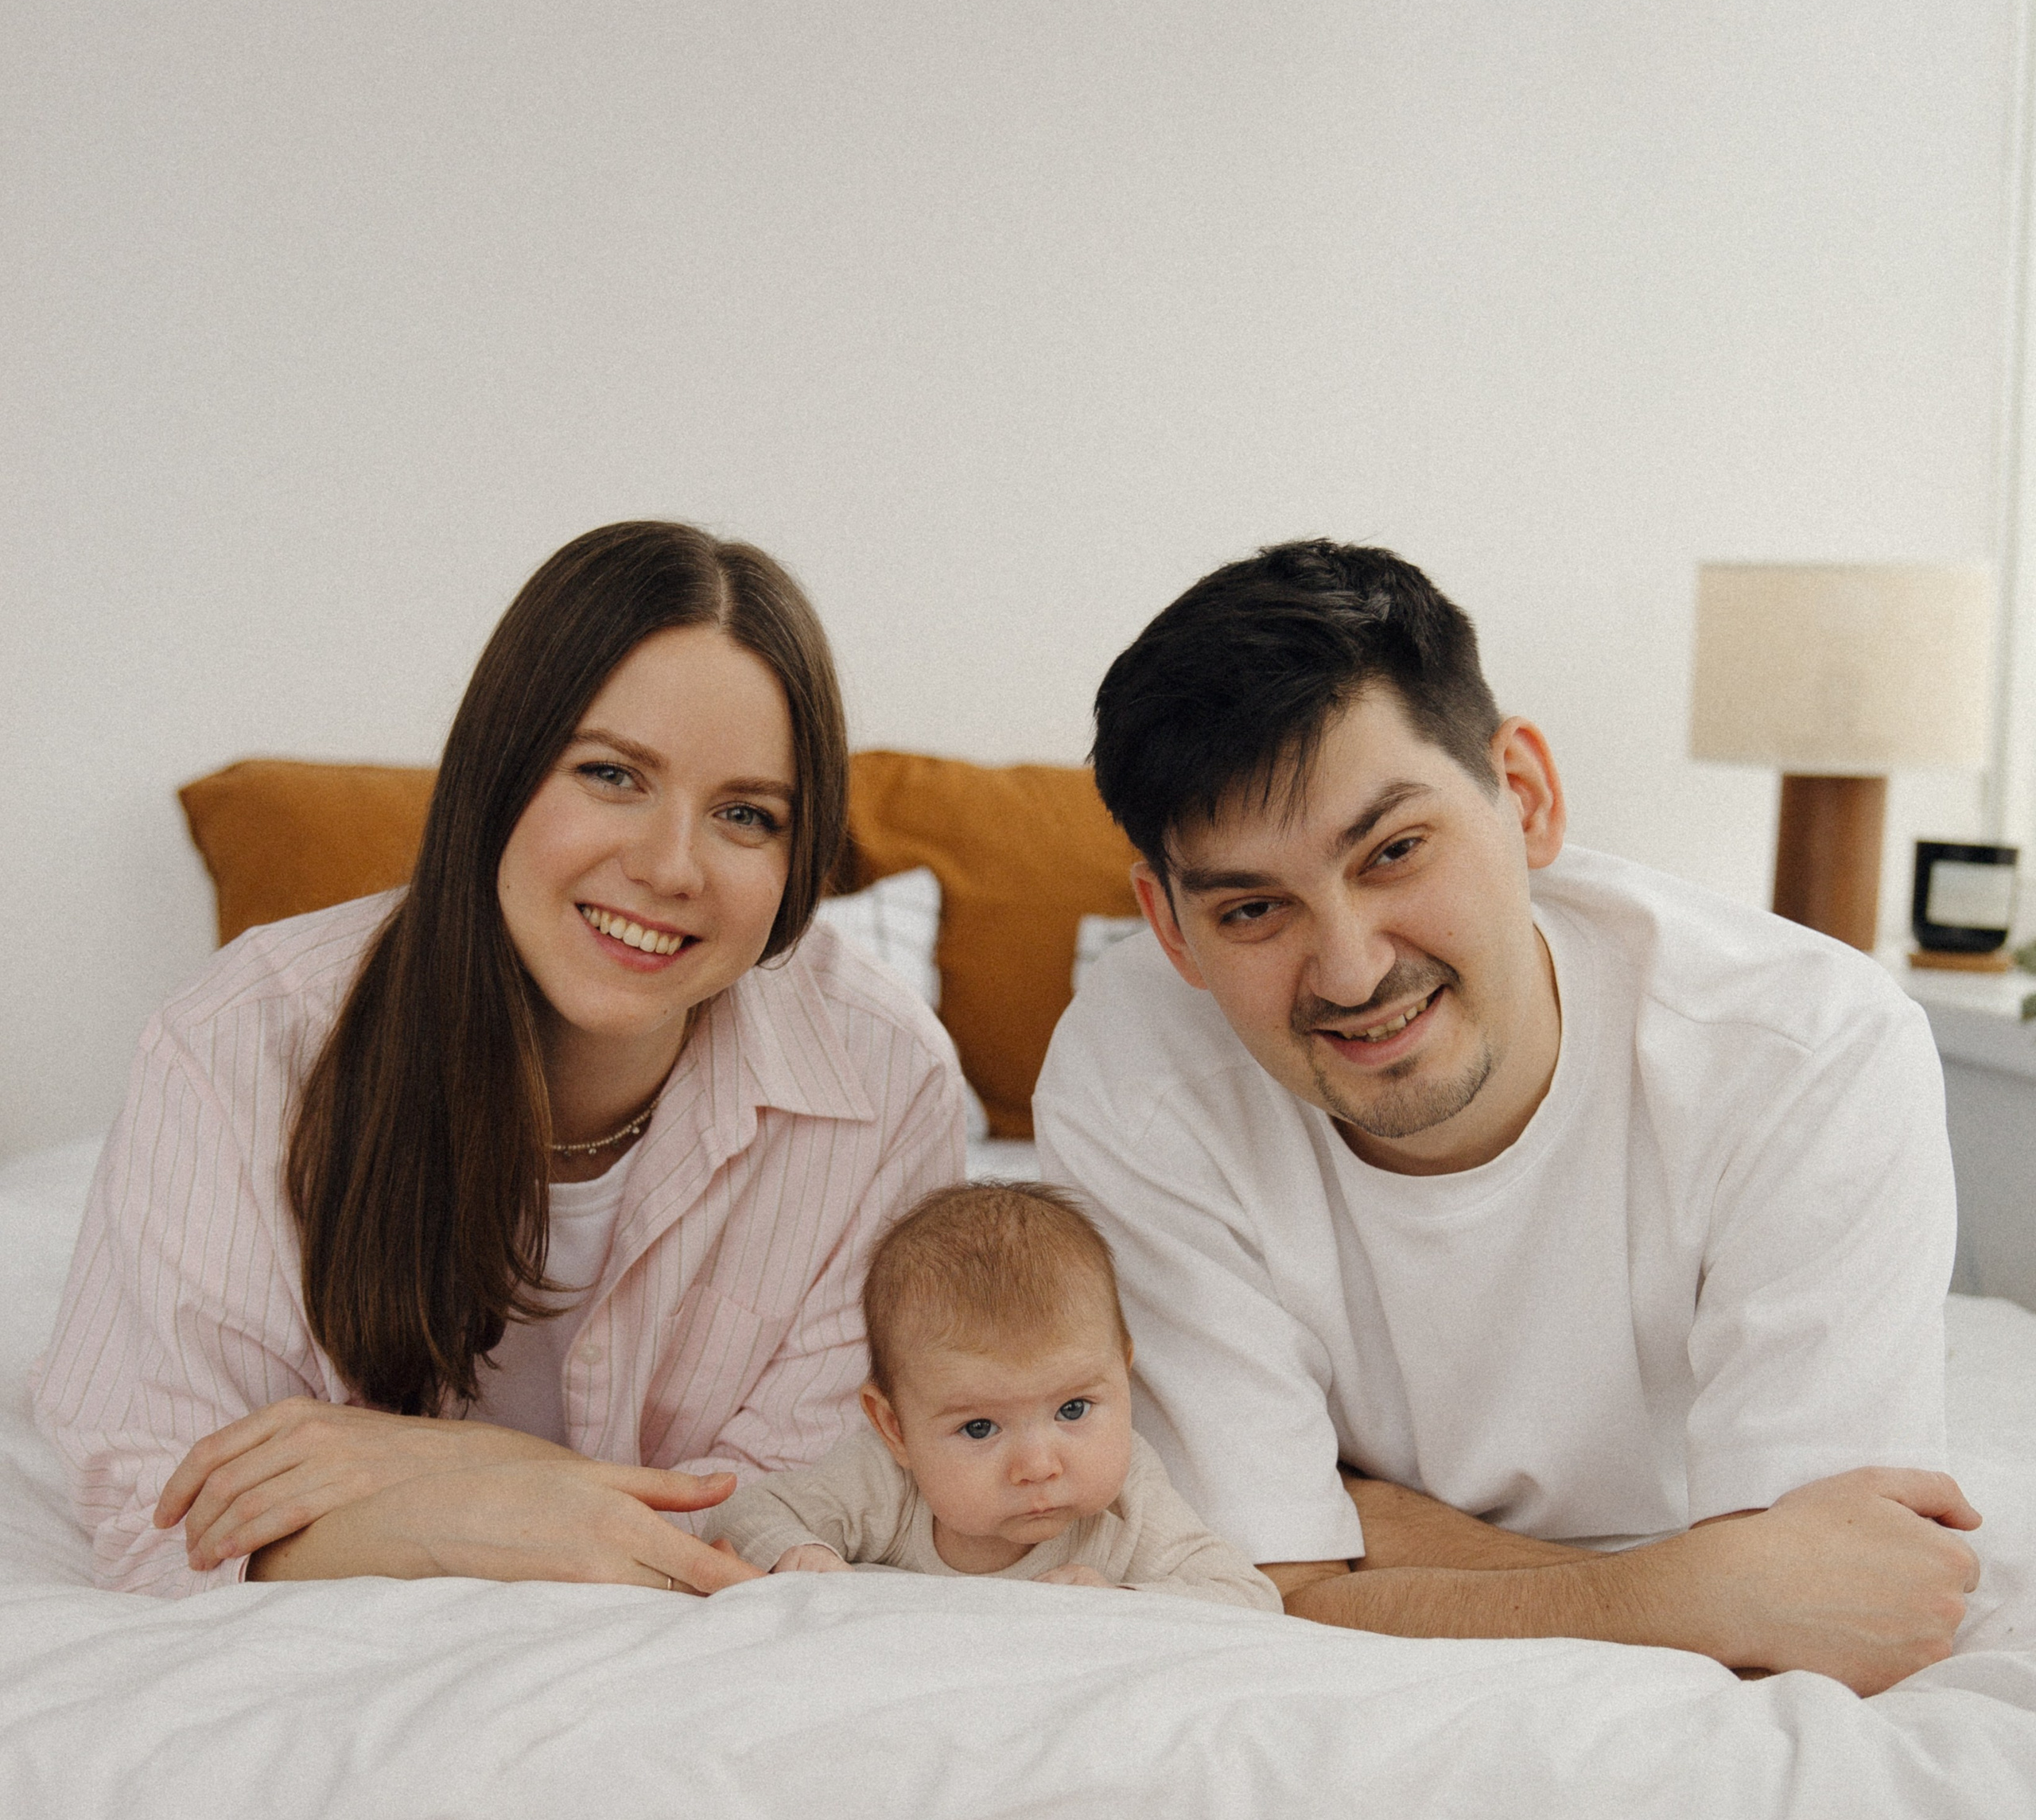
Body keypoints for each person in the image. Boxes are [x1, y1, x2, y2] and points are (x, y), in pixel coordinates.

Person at [1034, 540, 1981, 1694]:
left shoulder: (1810, 1051)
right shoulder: (1130, 1077)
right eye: (1250, 910)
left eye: (1392, 852)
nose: (1347, 969)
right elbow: (1257, 1590)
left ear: (1524, 798)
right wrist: (1690, 1590)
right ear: (1170, 927)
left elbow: (1843, 1615)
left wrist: (1371, 1536)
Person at [36, 520, 966, 1596]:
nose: (670, 867)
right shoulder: (241, 1040)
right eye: (613, 775)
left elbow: (788, 1514)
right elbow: (170, 1512)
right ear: (499, 768)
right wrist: (492, 1506)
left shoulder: (888, 1084)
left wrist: (460, 1469)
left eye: (746, 815)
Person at [698, 1182, 1280, 1610]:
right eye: (980, 1428)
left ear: (1122, 1378)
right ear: (894, 1428)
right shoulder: (885, 1483)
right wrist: (800, 1554)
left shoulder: (1127, 1504)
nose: (1038, 1467)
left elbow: (1247, 1596)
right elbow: (746, 1511)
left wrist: (1123, 1601)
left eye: (1073, 1410)